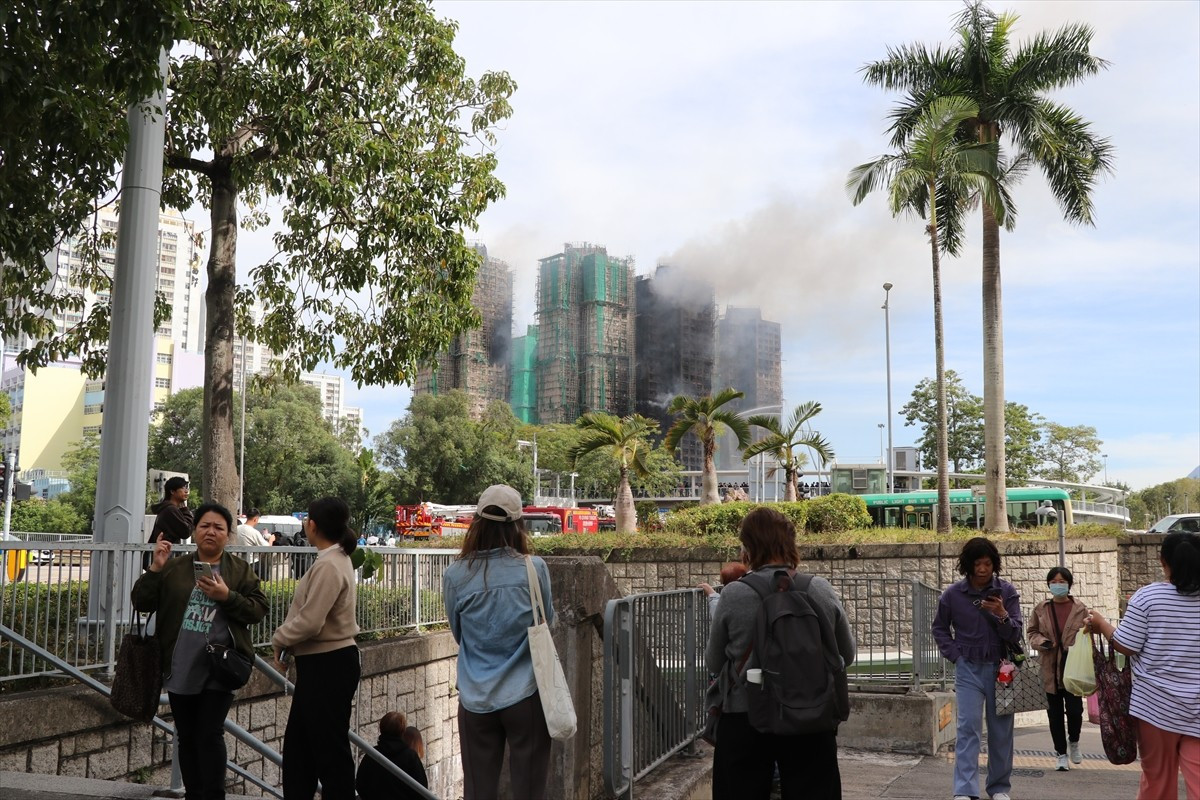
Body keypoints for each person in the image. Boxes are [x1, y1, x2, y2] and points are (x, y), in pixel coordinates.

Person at [704, 507, 855, 800]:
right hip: (810, 715)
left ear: (747, 547)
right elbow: (845, 655)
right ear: (790, 544)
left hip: (745, 715)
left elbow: (714, 661)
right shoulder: (819, 589)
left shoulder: (734, 594)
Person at [131, 502, 268, 800]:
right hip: (181, 664)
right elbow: (141, 602)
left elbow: (258, 610)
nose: (211, 532)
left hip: (220, 666)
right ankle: (194, 794)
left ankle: (213, 795)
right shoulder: (175, 568)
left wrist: (227, 596)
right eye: (205, 525)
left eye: (219, 527)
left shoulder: (239, 571)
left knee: (209, 732)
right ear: (194, 531)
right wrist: (155, 567)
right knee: (188, 735)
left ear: (228, 535)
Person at [442, 484, 554, 800]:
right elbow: (548, 622)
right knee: (529, 791)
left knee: (477, 791)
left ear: (476, 523)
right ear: (519, 525)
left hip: (475, 698)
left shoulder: (455, 575)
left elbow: (459, 633)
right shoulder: (534, 568)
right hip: (527, 694)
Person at [1086, 531, 1200, 800]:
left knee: (1157, 782)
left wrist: (1102, 624)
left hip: (1155, 708)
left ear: (1163, 561)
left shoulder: (1148, 598)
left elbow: (1126, 645)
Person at [271, 497, 361, 800]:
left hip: (328, 664)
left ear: (313, 525)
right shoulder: (335, 559)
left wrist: (279, 638)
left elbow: (310, 621)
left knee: (325, 751)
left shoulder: (329, 563)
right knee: (302, 750)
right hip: (324, 664)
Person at [932, 537, 1022, 800]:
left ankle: (999, 788)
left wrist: (1002, 613)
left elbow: (1015, 634)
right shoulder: (953, 595)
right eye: (977, 564)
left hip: (1002, 670)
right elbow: (940, 628)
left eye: (988, 563)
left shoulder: (1007, 592)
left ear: (995, 564)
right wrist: (956, 657)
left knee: (1001, 731)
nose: (983, 569)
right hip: (968, 668)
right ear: (968, 565)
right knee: (968, 727)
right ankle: (964, 789)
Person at [1026, 566, 1089, 771]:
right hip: (1049, 668)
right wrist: (1042, 642)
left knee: (1075, 710)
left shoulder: (1080, 608)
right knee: (1054, 714)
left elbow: (1088, 634)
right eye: (1054, 582)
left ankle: (1074, 741)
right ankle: (1060, 754)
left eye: (1062, 581)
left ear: (1069, 584)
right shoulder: (1041, 608)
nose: (1058, 585)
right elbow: (1032, 632)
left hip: (1072, 669)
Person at [355, 711, 428, 800]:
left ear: (381, 728)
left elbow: (360, 784)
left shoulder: (372, 754)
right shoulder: (410, 757)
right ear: (402, 731)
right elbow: (422, 790)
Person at [144, 476, 193, 570]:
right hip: (166, 557)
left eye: (186, 488)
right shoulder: (170, 510)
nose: (186, 491)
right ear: (172, 491)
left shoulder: (167, 508)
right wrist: (185, 509)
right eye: (182, 488)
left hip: (163, 556)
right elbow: (186, 531)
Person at [235, 508, 274, 580]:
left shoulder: (237, 529)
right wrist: (271, 540)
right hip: (252, 563)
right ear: (255, 519)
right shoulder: (254, 532)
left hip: (238, 562)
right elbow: (267, 548)